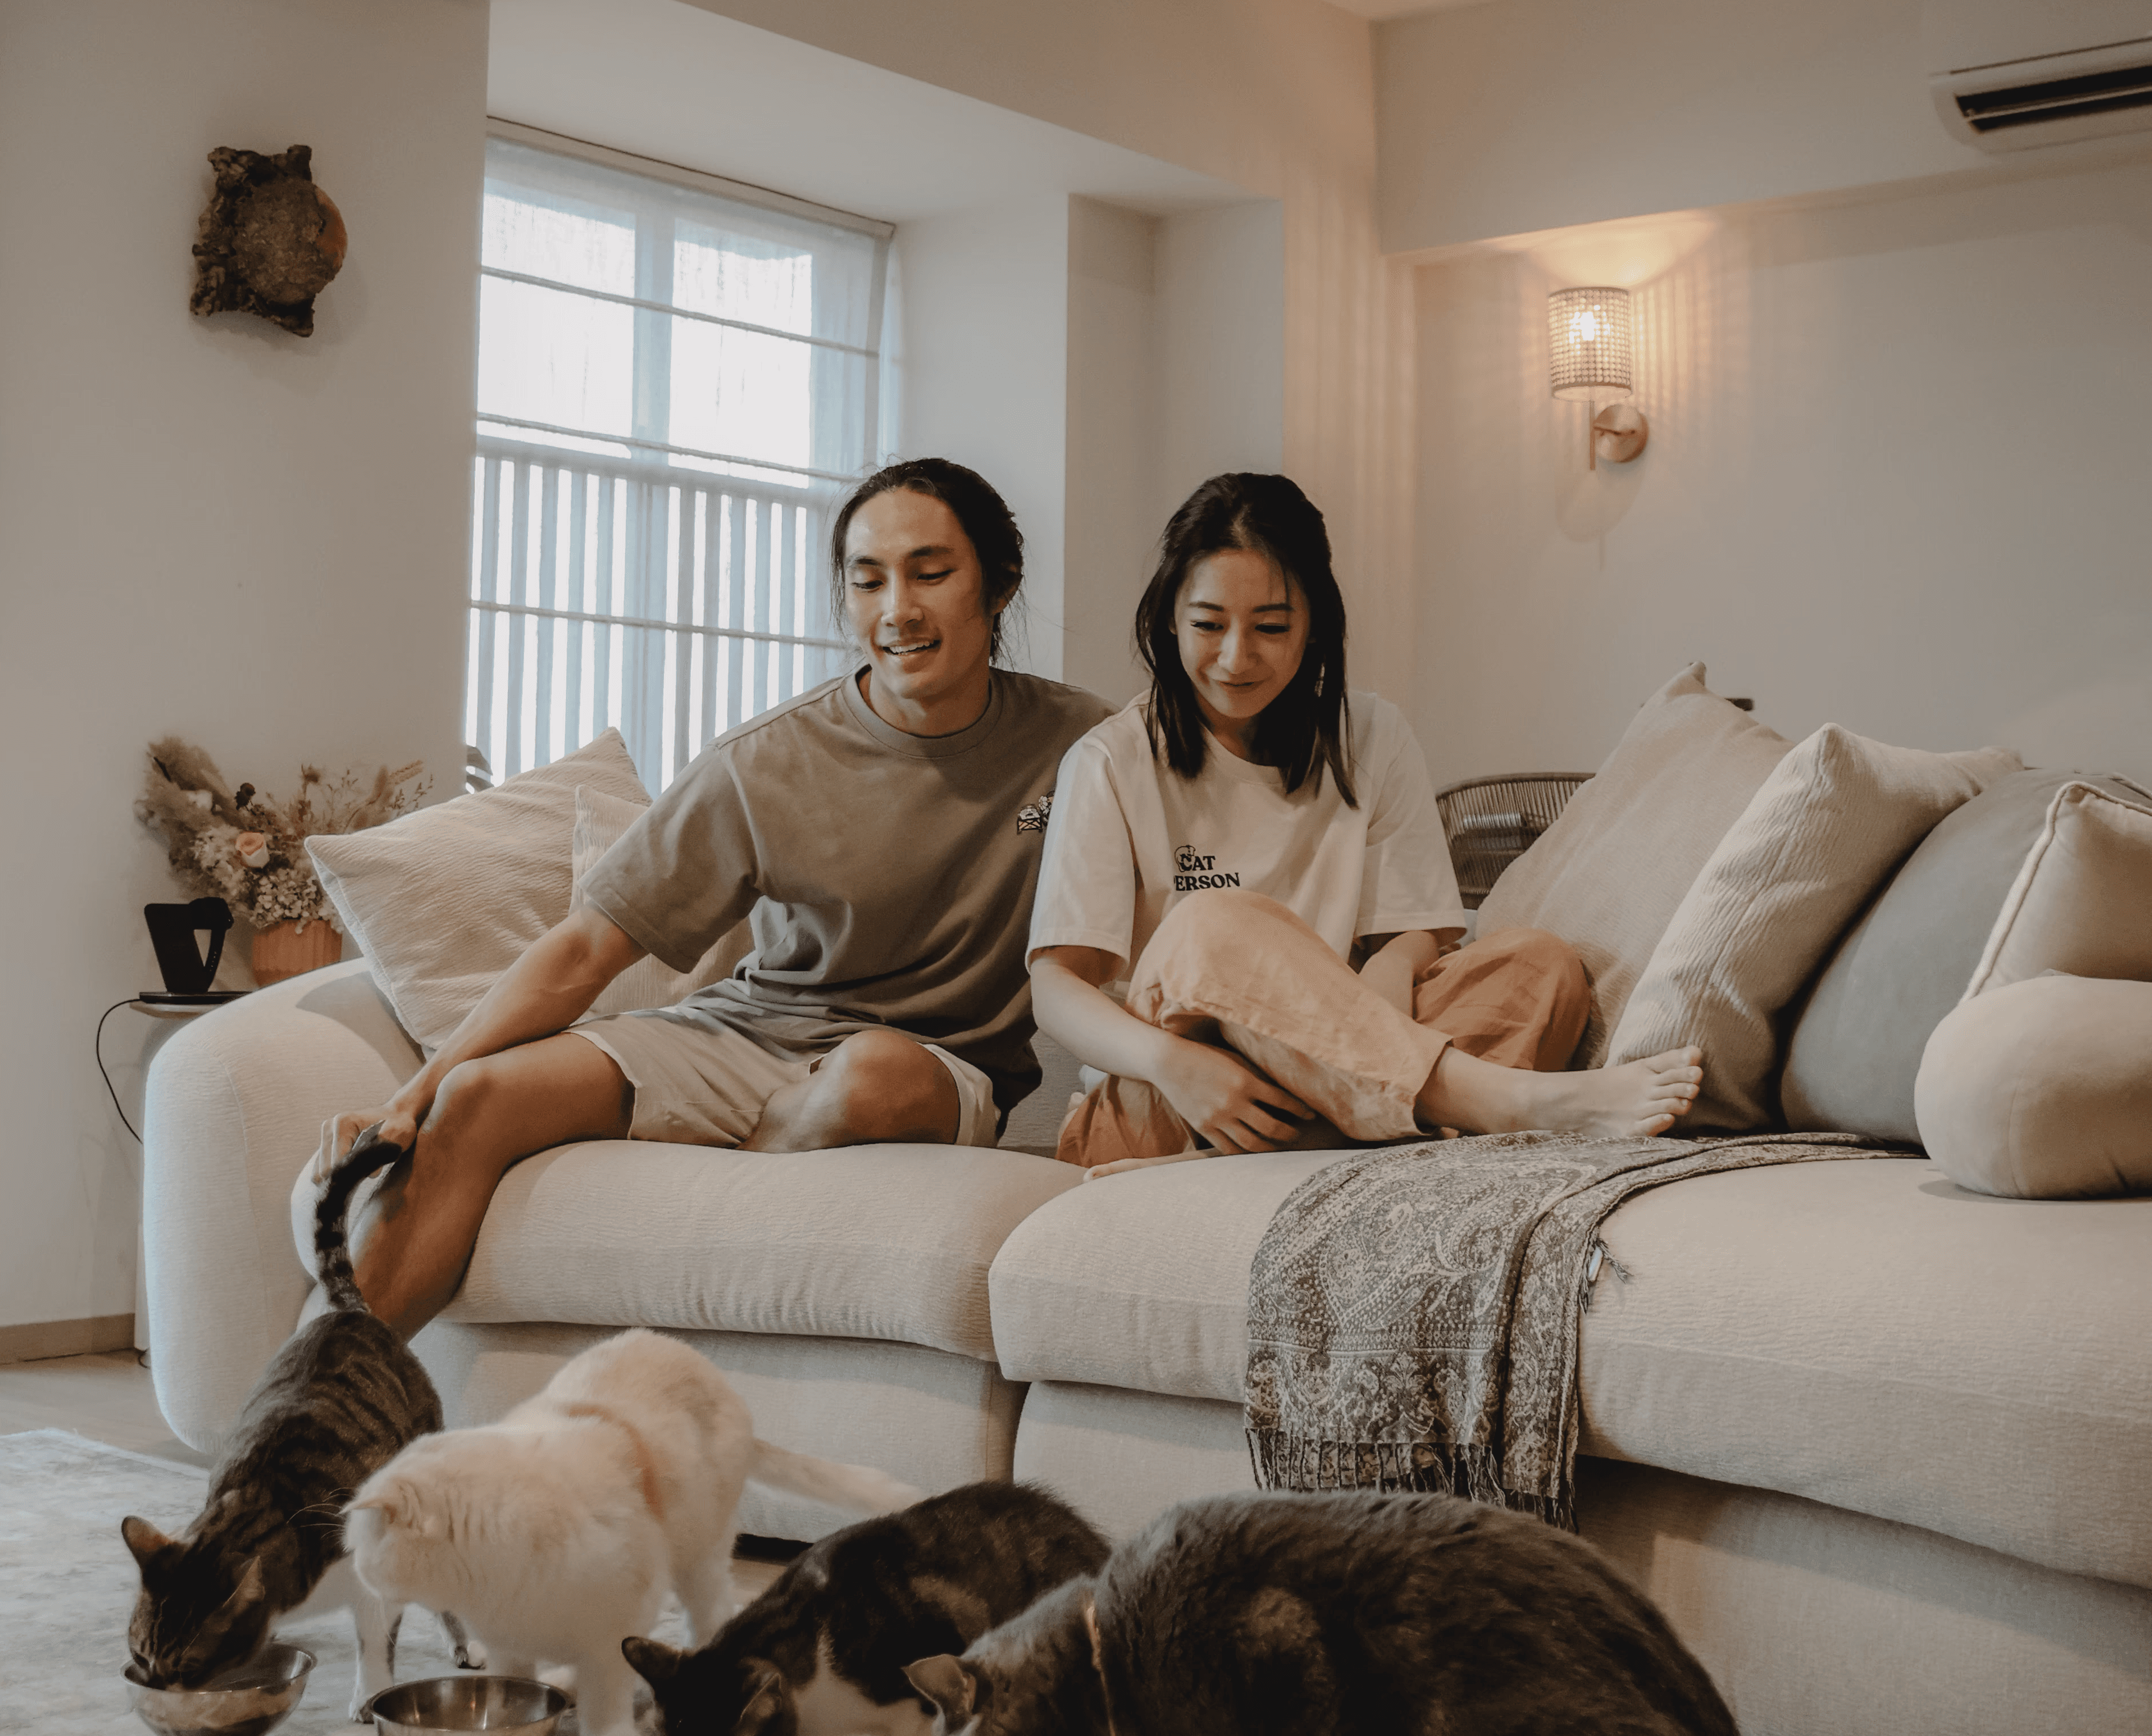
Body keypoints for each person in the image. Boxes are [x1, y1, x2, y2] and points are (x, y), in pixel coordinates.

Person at [317, 457, 1111, 1336]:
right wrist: (416, 1093)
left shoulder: (1084, 745)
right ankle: (317, 1398)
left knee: (871, 1076)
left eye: (930, 573)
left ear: (998, 585)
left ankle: (750, 1154)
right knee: (480, 1097)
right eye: (867, 580)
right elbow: (588, 946)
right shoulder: (765, 760)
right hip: (749, 1036)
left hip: (931, 1067)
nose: (897, 610)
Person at [1027, 473, 1702, 1168]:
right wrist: (1170, 1063)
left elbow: (1415, 929)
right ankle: (1498, 1102)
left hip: (1334, 1077)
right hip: (1172, 1102)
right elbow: (1055, 987)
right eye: (1207, 625)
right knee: (1211, 923)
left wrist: (1388, 969)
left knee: (1538, 964)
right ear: (1169, 618)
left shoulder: (1372, 736)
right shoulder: (1109, 759)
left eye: (1270, 627)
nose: (1235, 657)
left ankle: (1340, 1139)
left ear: (1314, 623)